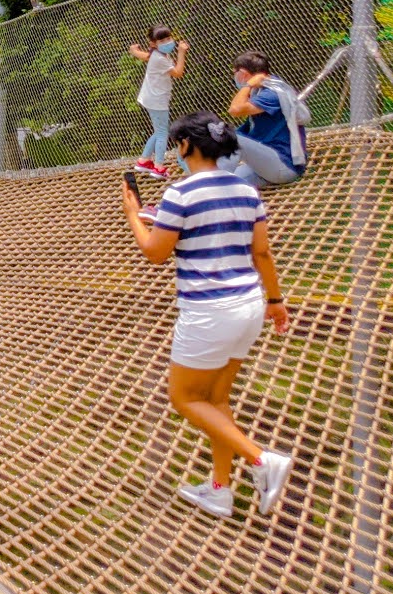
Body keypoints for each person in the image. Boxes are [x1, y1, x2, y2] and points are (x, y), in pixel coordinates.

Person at [120, 111, 297, 519]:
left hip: (208, 311)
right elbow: (262, 252)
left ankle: (260, 460)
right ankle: (219, 490)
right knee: (217, 399)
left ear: (185, 146)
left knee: (184, 398)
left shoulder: (180, 194)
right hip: (249, 305)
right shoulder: (246, 191)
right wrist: (275, 300)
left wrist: (133, 215)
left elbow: (155, 253)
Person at [224, 50, 309, 188]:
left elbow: (235, 109)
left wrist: (248, 85)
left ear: (243, 73)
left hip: (284, 165)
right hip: (265, 167)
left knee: (228, 135)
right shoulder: (260, 91)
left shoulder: (272, 93)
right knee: (222, 185)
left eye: (235, 72)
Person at [128, 26, 188, 179]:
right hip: (157, 100)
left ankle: (144, 161)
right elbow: (178, 73)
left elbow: (145, 56)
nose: (167, 42)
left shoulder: (158, 53)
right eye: (162, 40)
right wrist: (181, 52)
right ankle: (159, 167)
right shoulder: (160, 58)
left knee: (158, 130)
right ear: (154, 43)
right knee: (162, 133)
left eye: (168, 38)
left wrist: (134, 51)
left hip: (151, 97)